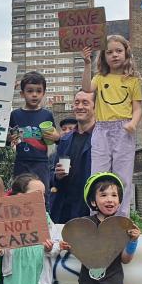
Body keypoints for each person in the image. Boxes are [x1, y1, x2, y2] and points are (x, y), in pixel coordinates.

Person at [81, 36, 142, 217]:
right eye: (109, 52)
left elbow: (137, 107)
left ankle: (122, 219)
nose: (114, 55)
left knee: (123, 176)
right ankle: (95, 218)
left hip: (123, 129)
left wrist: (133, 123)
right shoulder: (100, 78)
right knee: (98, 174)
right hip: (102, 129)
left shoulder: (132, 81)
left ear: (126, 53)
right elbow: (86, 87)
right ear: (104, 56)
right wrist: (86, 63)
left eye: (118, 51)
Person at [48, 91, 95, 224]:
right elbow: (52, 174)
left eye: (85, 103)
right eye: (76, 102)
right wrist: (57, 176)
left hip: (89, 209)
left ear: (95, 107)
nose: (80, 106)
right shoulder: (65, 140)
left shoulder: (101, 138)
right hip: (63, 210)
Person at [9, 71, 58, 188]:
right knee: (19, 194)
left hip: (41, 162)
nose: (34, 94)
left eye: (38, 91)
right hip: (21, 162)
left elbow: (54, 139)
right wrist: (9, 138)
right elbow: (8, 141)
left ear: (44, 93)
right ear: (22, 94)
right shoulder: (14, 115)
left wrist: (57, 137)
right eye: (30, 91)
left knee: (42, 195)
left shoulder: (47, 115)